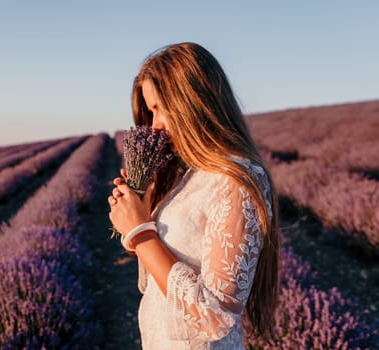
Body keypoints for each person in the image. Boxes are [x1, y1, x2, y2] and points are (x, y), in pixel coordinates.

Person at [108, 42, 280, 349]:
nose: (155, 125)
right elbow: (156, 281)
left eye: (161, 108)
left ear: (194, 103)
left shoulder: (235, 179)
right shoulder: (186, 174)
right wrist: (139, 217)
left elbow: (216, 317)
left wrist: (142, 233)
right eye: (150, 111)